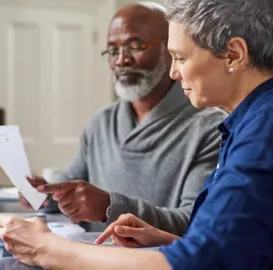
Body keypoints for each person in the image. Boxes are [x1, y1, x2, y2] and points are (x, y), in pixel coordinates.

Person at [0, 0, 273, 269]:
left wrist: (47, 249)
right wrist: (166, 240)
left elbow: (207, 262)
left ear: (233, 54)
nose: (174, 72)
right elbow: (238, 249)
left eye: (180, 57)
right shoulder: (252, 120)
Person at [19, 1, 226, 235]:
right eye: (113, 50)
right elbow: (71, 188)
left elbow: (195, 221)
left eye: (134, 46)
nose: (121, 60)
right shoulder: (101, 123)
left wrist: (110, 207)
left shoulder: (211, 128)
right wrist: (45, 194)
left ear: (171, 49)